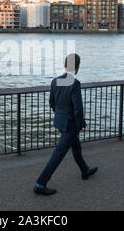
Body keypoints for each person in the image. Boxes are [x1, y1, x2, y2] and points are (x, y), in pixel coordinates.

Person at [34, 53, 98, 196]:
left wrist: (60, 116)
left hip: (62, 121)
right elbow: (78, 108)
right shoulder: (74, 84)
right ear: (77, 67)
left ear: (65, 65)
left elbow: (52, 103)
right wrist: (80, 124)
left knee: (76, 147)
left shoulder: (55, 81)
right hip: (71, 124)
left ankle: (84, 170)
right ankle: (40, 184)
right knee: (58, 154)